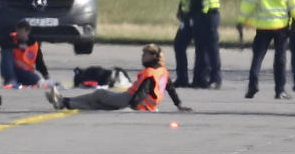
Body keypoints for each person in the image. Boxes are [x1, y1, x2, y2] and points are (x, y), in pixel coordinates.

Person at [45, 44, 191, 112]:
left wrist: (131, 107)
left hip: (129, 100)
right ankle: (63, 102)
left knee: (99, 94)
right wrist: (179, 105)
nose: (142, 56)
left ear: (153, 56)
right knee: (96, 105)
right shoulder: (163, 71)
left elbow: (142, 91)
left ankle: (63, 101)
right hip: (144, 105)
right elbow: (170, 89)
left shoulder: (150, 73)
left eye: (145, 54)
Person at [192, 0, 223, 88]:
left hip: (211, 16)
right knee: (199, 48)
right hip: (199, 16)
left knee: (212, 49)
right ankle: (200, 78)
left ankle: (216, 78)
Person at [172, 0, 203, 87]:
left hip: (199, 19)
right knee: (179, 45)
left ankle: (198, 79)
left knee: (200, 49)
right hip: (186, 18)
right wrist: (180, 10)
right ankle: (182, 77)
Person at [0, 20, 51, 88]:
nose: (18, 33)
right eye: (17, 31)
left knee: (38, 81)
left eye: (20, 31)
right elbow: (3, 44)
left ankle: (22, 82)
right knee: (6, 50)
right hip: (11, 70)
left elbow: (39, 63)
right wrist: (18, 46)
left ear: (27, 32)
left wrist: (46, 75)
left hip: (25, 73)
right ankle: (10, 80)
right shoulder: (11, 38)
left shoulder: (34, 45)